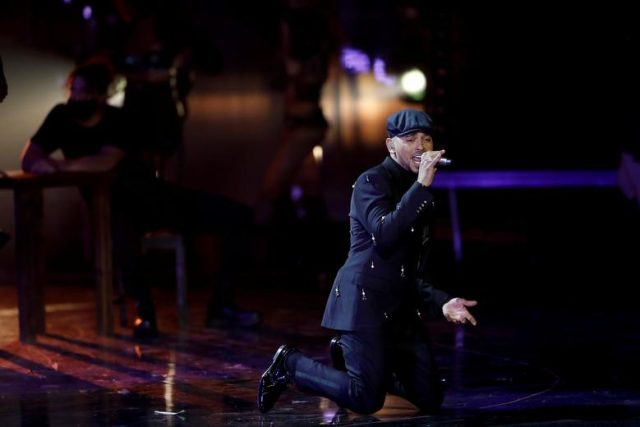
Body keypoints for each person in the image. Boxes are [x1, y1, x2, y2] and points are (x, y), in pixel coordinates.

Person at [257, 109, 478, 415]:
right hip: (365, 302)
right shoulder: (371, 182)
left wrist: (442, 302)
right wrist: (421, 187)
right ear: (391, 145)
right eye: (410, 139)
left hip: (399, 307)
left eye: (426, 139)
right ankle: (290, 364)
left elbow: (410, 269)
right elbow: (384, 236)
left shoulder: (422, 194)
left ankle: (361, 364)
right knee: (366, 399)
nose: (420, 146)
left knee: (429, 397)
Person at [20, 60, 259, 338]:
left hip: (154, 197)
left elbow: (106, 161)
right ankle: (144, 313)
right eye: (74, 90)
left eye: (85, 91)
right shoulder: (61, 117)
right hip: (112, 208)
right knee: (122, 234)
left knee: (238, 216)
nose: (77, 97)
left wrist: (58, 166)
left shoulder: (117, 119)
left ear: (101, 95)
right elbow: (29, 157)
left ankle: (222, 307)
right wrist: (46, 164)